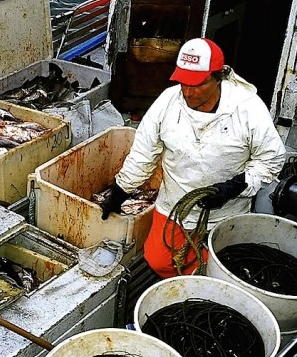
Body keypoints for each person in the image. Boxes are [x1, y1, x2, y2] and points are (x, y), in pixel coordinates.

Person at [101, 37, 287, 278]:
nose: (187, 92)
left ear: (218, 77)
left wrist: (235, 186)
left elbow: (271, 159)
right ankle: (194, 278)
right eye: (183, 83)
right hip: (175, 206)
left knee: (222, 269)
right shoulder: (167, 102)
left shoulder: (248, 108)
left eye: (197, 84)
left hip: (227, 209)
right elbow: (143, 154)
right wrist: (120, 192)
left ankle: (203, 281)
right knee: (158, 261)